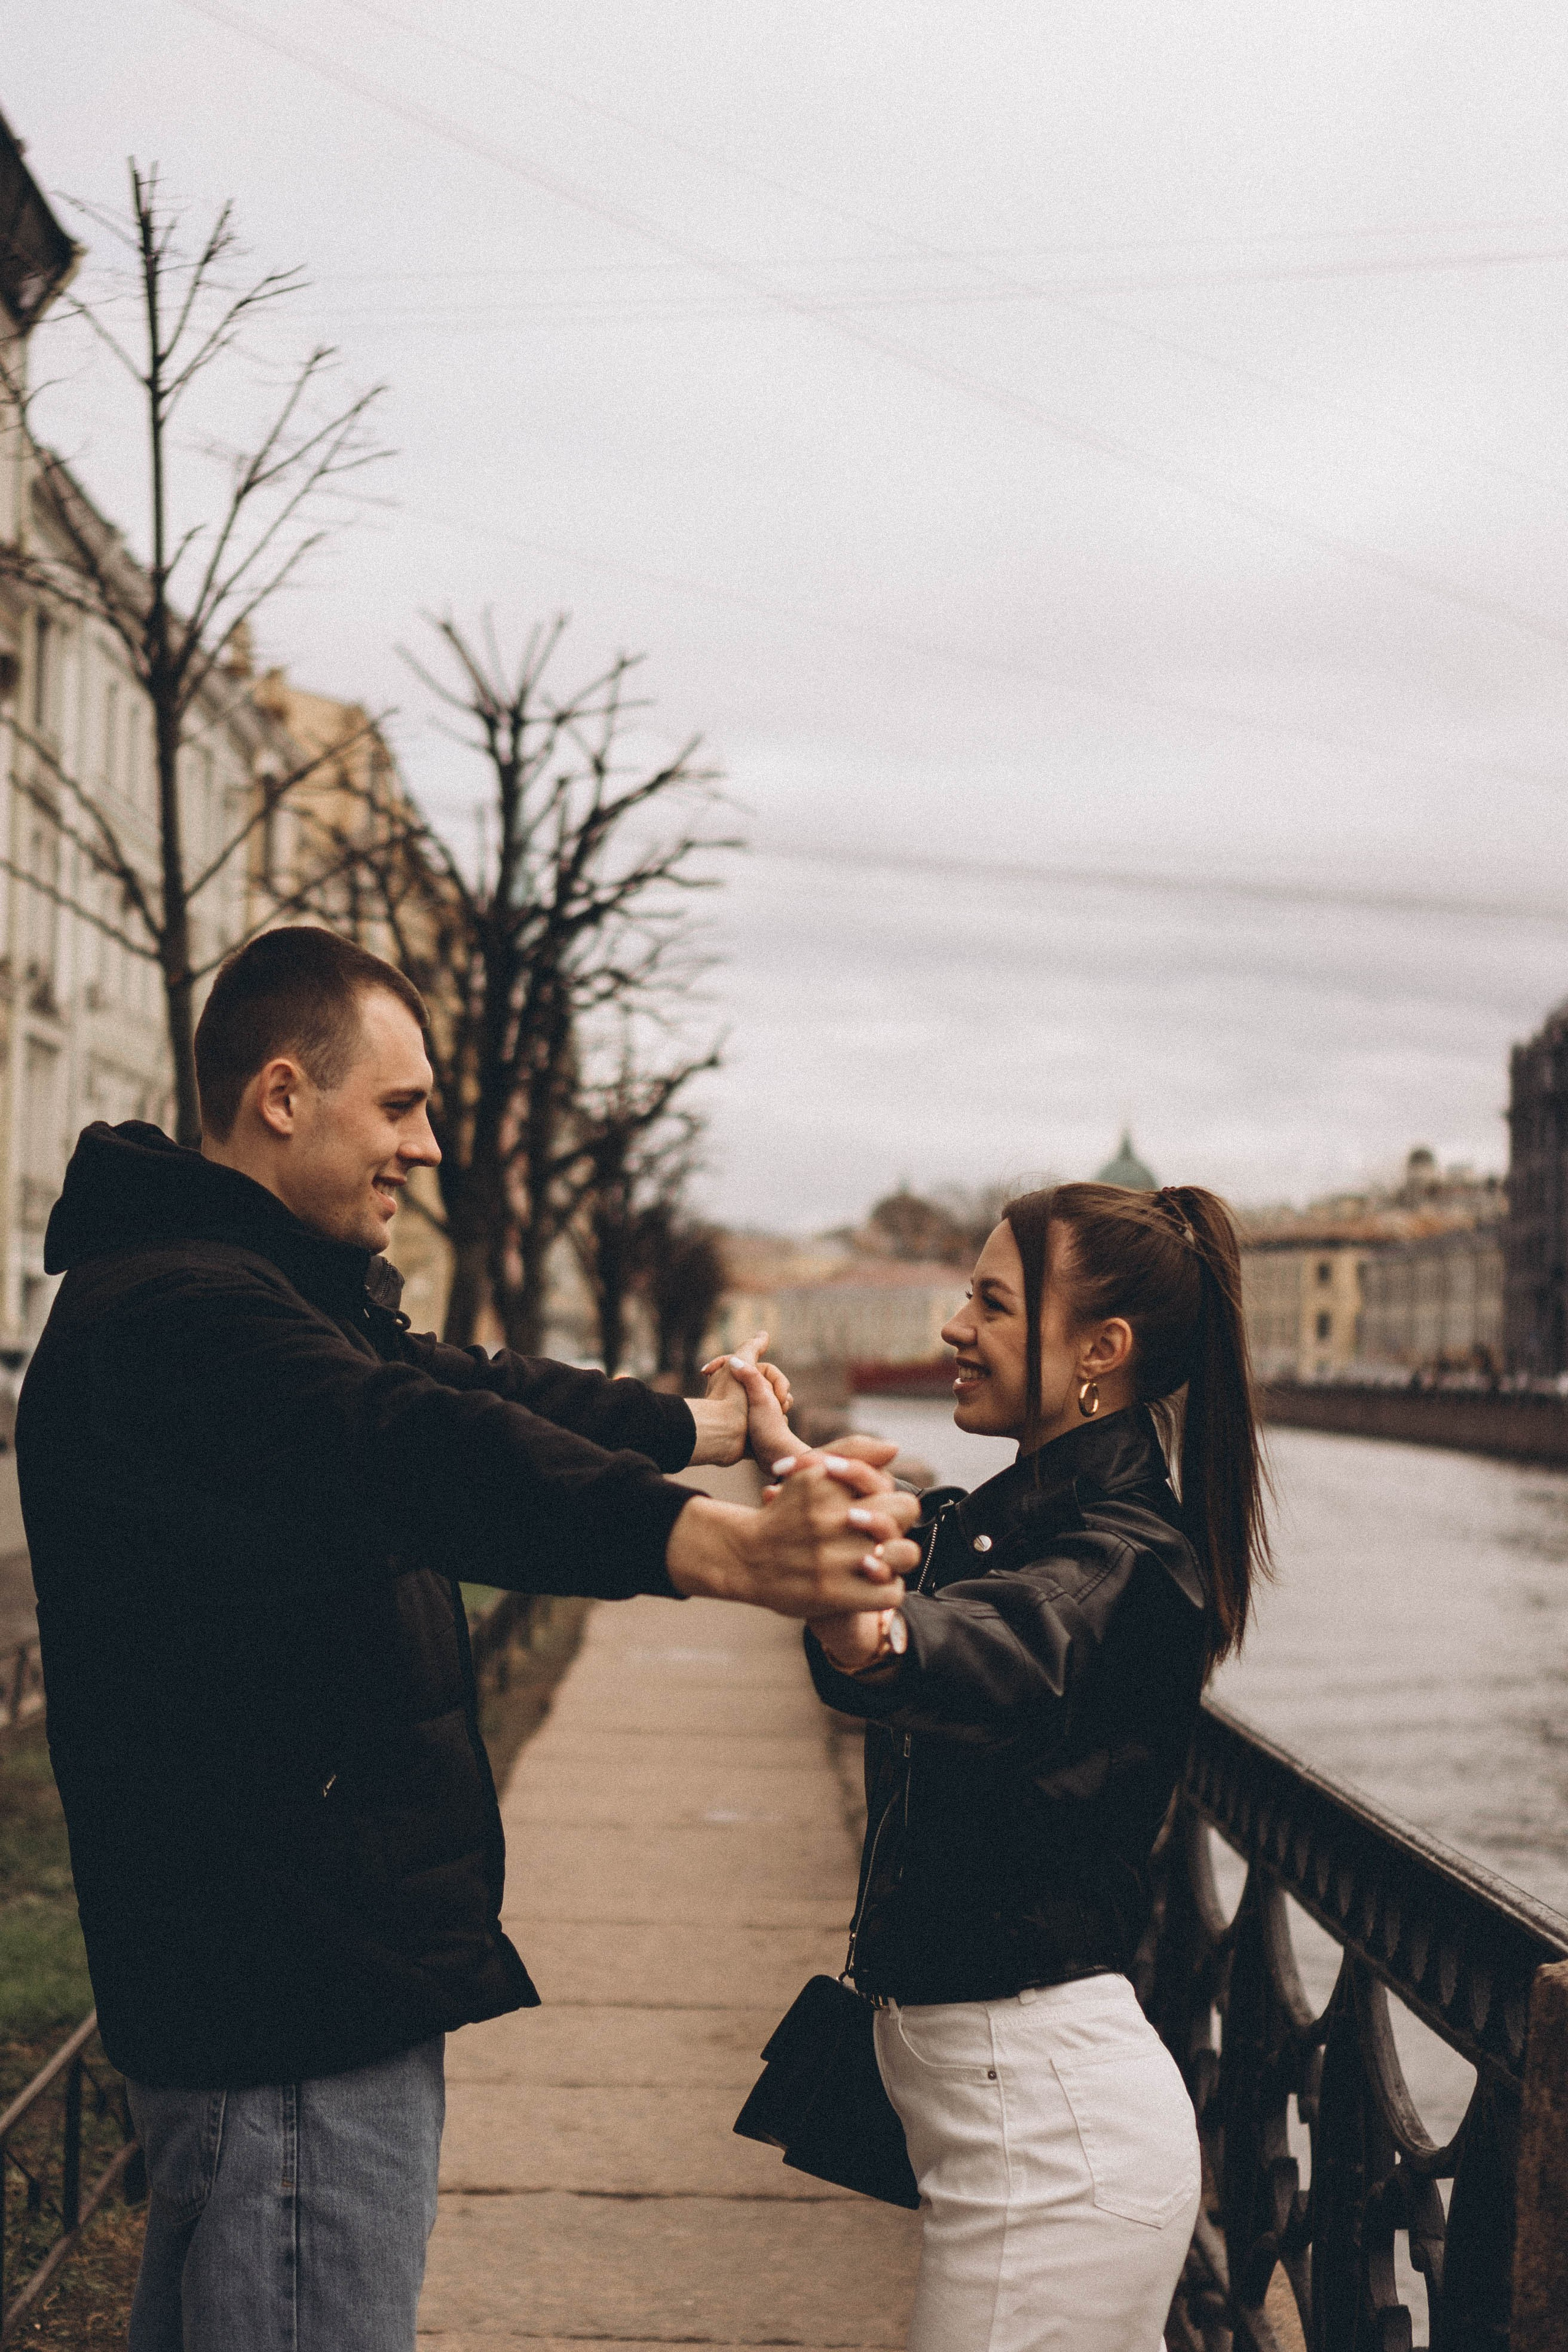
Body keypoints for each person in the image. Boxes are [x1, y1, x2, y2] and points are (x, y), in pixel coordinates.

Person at [17, 925, 919, 2352]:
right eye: (400, 1107)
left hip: (275, 1982)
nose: (426, 1146)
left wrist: (702, 1429)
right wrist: (729, 1550)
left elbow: (463, 1386)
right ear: (281, 1095)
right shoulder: (192, 1316)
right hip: (291, 1999)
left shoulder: (233, 1286)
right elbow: (416, 1446)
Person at [730, 1180, 1271, 2352]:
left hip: (1053, 2164)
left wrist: (880, 1633)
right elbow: (932, 1565)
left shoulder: (1127, 1562)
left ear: (1101, 1351)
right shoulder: (1010, 1521)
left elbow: (1014, 1638)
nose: (952, 1328)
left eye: (993, 1302)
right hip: (1021, 2139)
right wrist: (796, 1471)